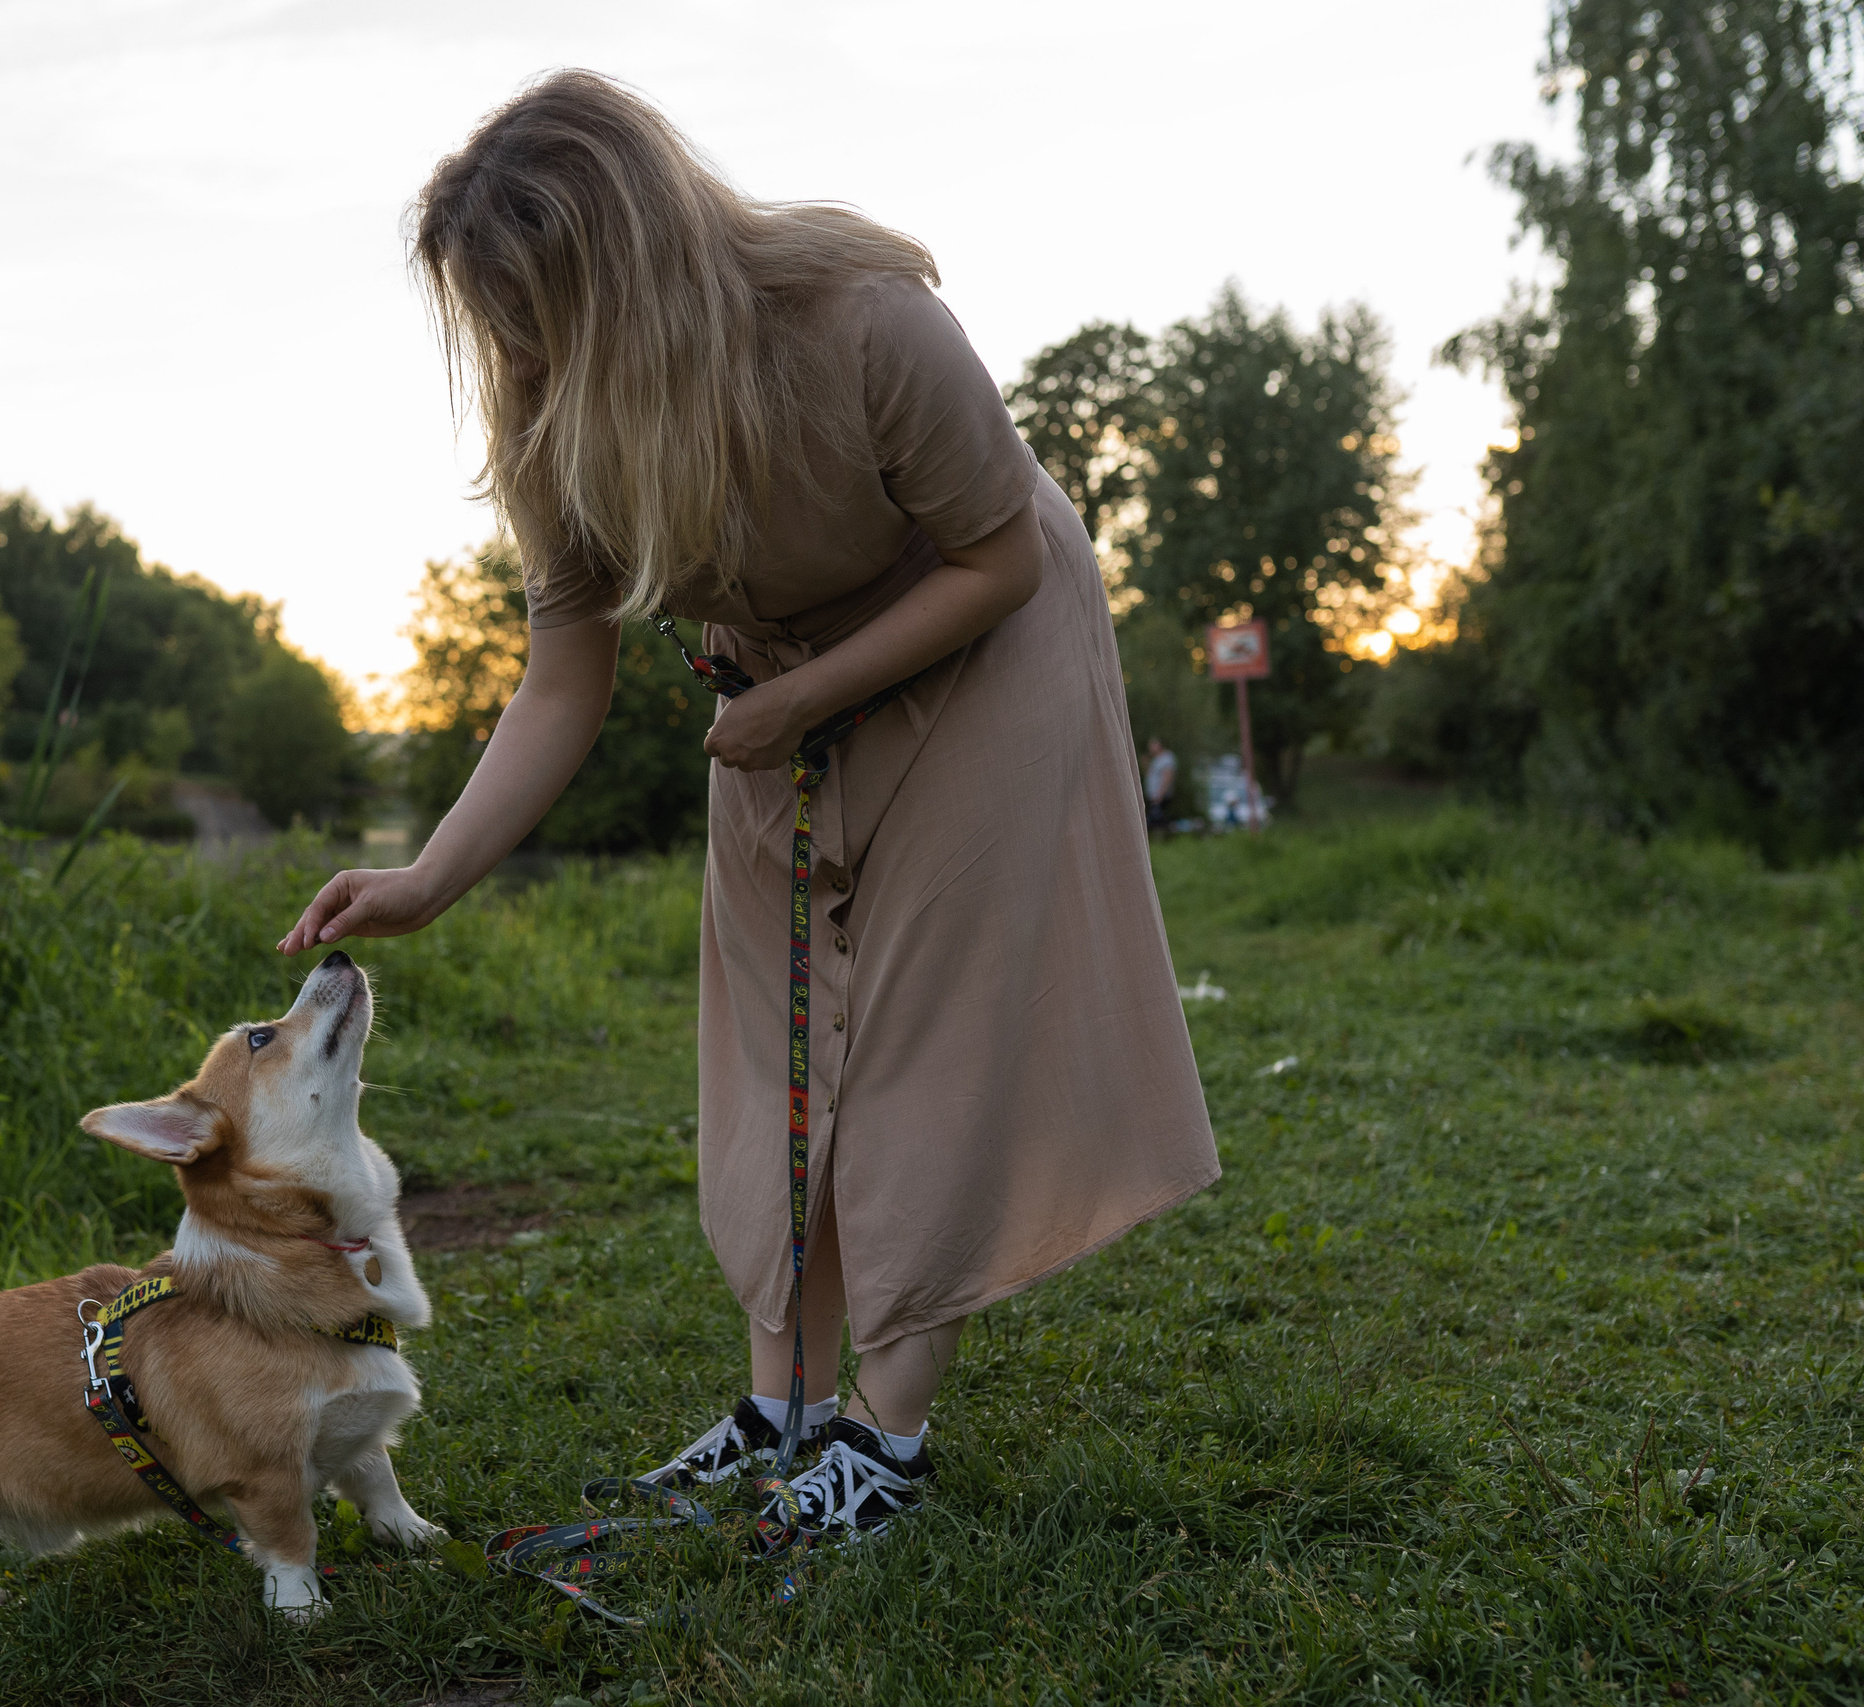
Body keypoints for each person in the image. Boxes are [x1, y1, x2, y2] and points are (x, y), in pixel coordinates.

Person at [279, 73, 1217, 1542]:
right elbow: (558, 684)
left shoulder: (866, 321)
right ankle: (780, 1407)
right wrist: (430, 875)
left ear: (624, 266)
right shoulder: (551, 419)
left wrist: (796, 695)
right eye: (495, 317)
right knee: (773, 1040)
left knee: (922, 1035)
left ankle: (884, 1444)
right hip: (775, 682)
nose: (516, 350)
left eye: (537, 307)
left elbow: (996, 561)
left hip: (983, 639)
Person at [1143, 737, 1178, 832]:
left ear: (1159, 745)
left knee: (1158, 817)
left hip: (1160, 795)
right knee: (1156, 816)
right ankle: (1164, 835)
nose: (1150, 748)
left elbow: (1167, 777)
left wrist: (1160, 795)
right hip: (1154, 795)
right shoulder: (1156, 759)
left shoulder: (1166, 758)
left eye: (1152, 745)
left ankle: (1169, 833)